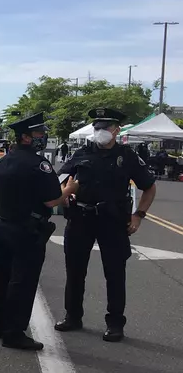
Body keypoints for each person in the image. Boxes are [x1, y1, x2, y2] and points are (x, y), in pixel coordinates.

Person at [54, 108, 157, 342]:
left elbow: (149, 186)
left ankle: (115, 323)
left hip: (112, 220)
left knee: (115, 273)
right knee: (75, 270)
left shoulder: (127, 156)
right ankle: (73, 316)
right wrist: (65, 193)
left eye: (106, 127)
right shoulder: (81, 153)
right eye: (97, 127)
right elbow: (59, 181)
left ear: (116, 129)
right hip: (81, 218)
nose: (100, 132)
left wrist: (139, 214)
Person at [0, 113, 79, 350]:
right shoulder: (38, 164)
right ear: (26, 138)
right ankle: (14, 333)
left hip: (3, 226)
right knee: (22, 282)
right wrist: (69, 189)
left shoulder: (4, 161)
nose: (44, 137)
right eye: (39, 134)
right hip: (26, 230)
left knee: (3, 279)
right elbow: (52, 201)